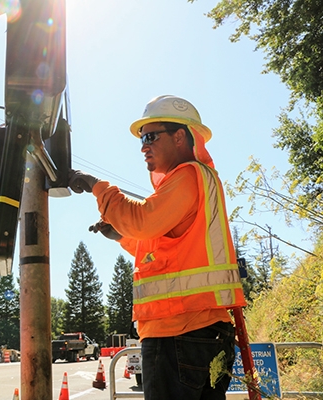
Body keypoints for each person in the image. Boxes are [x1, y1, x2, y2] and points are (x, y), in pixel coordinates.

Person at [69, 95, 247, 400]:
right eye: (141, 138)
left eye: (151, 136)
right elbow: (159, 246)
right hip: (200, 332)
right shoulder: (196, 182)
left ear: (180, 136)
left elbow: (142, 220)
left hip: (179, 334)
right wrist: (119, 235)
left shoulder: (187, 175)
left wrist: (96, 185)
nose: (143, 146)